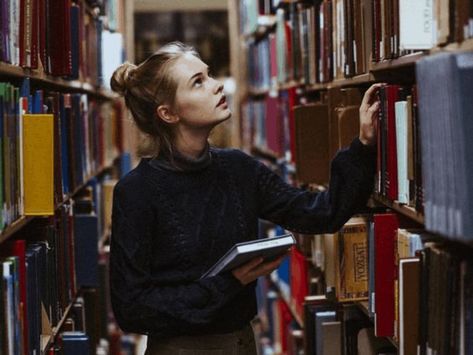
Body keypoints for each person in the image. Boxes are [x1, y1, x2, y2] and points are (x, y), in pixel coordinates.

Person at [109, 42, 381, 355]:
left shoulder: (238, 168)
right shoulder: (136, 192)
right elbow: (132, 309)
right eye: (198, 82)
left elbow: (320, 213)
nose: (217, 85)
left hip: (242, 342)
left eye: (209, 75)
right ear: (168, 113)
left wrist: (363, 144)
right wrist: (230, 282)